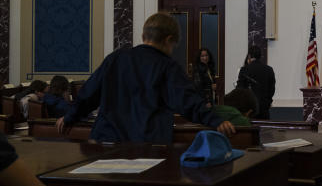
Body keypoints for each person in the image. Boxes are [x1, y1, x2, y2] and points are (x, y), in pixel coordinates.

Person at [58, 12, 235, 142]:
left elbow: (89, 94)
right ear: (168, 40)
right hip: (147, 143)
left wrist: (69, 116)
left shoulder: (116, 58)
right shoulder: (167, 66)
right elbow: (187, 101)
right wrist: (215, 120)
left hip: (106, 139)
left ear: (144, 36)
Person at [237, 45, 275, 120]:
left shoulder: (244, 70)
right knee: (264, 130)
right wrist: (268, 102)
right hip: (264, 108)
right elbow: (272, 89)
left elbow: (240, 89)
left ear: (249, 56)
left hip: (249, 109)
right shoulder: (269, 69)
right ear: (260, 56)